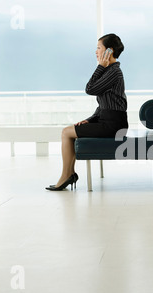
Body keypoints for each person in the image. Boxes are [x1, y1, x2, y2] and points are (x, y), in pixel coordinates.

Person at [46, 33, 128, 191]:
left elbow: (89, 89)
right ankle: (68, 174)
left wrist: (100, 67)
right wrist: (90, 120)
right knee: (68, 132)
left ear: (108, 52)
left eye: (98, 48)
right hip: (107, 121)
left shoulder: (113, 72)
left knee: (66, 132)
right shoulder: (110, 70)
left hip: (113, 125)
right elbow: (103, 106)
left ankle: (66, 176)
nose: (95, 51)